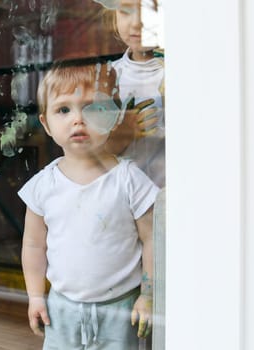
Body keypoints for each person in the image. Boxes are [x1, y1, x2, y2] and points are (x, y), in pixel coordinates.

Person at [18, 61, 160, 349]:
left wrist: (148, 295)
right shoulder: (43, 186)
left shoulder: (129, 179)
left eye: (94, 108)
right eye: (64, 110)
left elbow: (152, 239)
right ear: (46, 123)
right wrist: (35, 296)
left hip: (121, 310)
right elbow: (33, 245)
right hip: (62, 309)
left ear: (115, 117)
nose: (78, 119)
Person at [98, 0, 165, 189]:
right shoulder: (108, 77)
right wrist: (122, 134)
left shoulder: (179, 72)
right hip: (122, 192)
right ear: (113, 17)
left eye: (150, 10)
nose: (136, 23)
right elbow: (93, 152)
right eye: (125, 11)